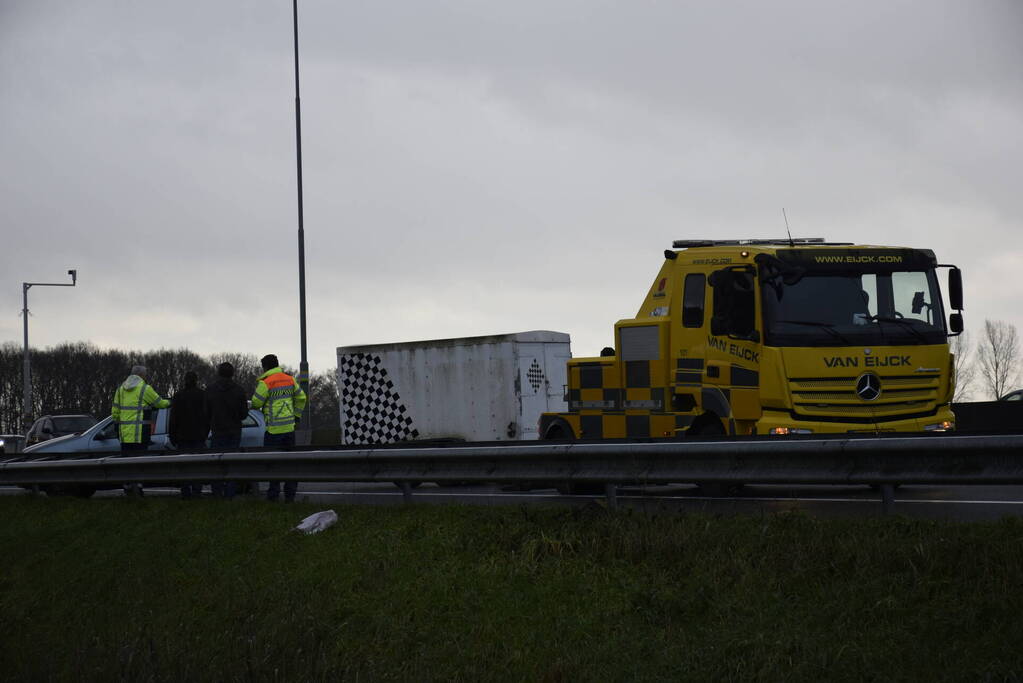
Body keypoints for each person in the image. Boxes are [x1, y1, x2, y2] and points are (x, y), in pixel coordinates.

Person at [250, 354, 307, 502]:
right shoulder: (290, 379)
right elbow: (301, 398)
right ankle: (290, 496)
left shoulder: (266, 382)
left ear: (266, 367)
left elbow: (256, 403)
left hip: (273, 431)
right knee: (290, 464)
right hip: (289, 429)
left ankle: (273, 496)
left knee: (273, 465)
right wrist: (296, 416)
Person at [111, 365, 170, 496]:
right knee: (139, 462)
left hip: (124, 435)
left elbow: (115, 412)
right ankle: (138, 488)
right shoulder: (144, 388)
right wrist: (170, 402)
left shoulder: (120, 390)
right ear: (142, 375)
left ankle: (127, 487)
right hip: (140, 434)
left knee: (126, 463)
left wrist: (119, 424)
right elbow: (160, 403)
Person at [205, 361, 249, 498]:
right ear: (232, 374)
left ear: (218, 373)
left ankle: (217, 493)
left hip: (217, 431)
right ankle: (229, 494)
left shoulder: (210, 390)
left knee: (216, 464)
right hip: (234, 432)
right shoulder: (239, 390)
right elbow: (244, 414)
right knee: (232, 464)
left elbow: (206, 412)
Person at [169, 370, 209, 499]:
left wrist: (172, 436)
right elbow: (207, 417)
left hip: (182, 437)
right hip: (198, 436)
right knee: (198, 466)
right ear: (196, 381)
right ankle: (197, 491)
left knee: (184, 466)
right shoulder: (202, 395)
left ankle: (185, 492)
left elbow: (173, 418)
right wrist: (205, 433)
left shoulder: (178, 396)